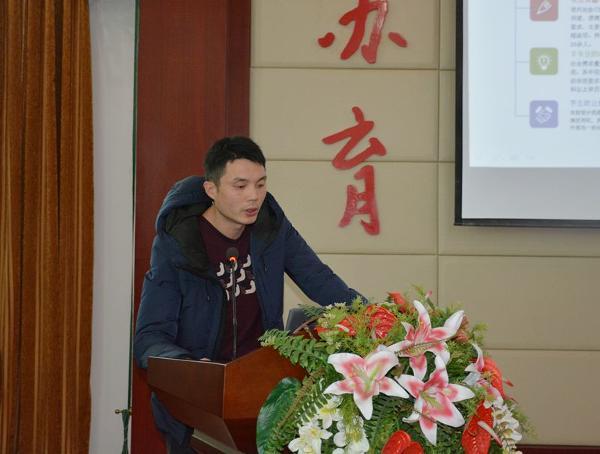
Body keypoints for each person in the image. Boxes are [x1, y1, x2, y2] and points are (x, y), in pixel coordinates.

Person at [133, 136, 362, 453]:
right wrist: (193, 368)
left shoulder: (271, 228)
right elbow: (149, 339)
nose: (253, 196)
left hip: (264, 403)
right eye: (240, 186)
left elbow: (321, 280)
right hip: (198, 410)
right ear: (211, 190)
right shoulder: (178, 244)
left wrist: (374, 320)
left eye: (260, 184)